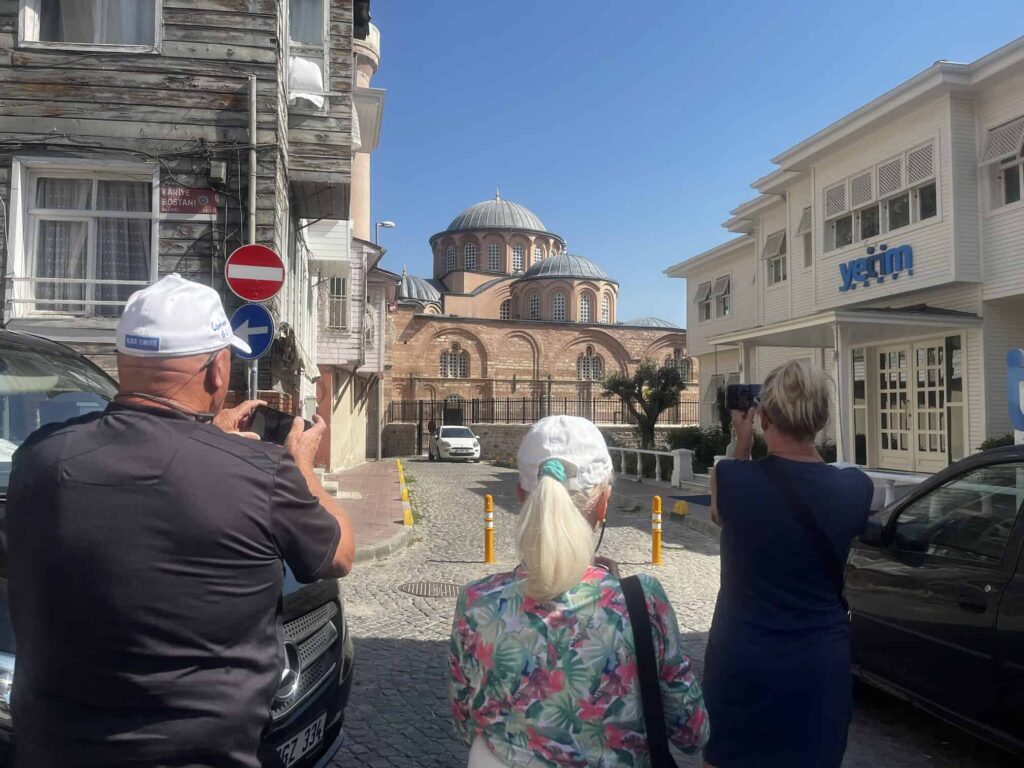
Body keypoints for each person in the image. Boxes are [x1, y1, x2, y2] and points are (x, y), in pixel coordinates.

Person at [7, 274, 355, 768]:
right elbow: (338, 553)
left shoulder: (37, 460)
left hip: (52, 749)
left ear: (124, 364)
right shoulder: (262, 474)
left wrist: (206, 438)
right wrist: (302, 468)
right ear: (217, 370)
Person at [449, 415, 708, 767]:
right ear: (603, 502)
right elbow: (692, 734)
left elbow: (468, 723)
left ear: (521, 496)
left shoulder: (476, 602)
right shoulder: (641, 602)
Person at [702, 361, 873, 768]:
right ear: (823, 419)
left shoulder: (731, 480)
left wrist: (740, 441)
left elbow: (721, 513)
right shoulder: (856, 489)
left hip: (742, 661)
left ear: (763, 418)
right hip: (818, 665)